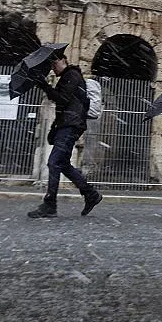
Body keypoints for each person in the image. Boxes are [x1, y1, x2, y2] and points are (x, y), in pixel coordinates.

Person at [28, 52, 103, 219]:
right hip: (68, 125)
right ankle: (91, 194)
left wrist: (45, 86)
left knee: (53, 162)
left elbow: (62, 99)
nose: (53, 69)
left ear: (63, 60)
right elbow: (63, 104)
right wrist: (55, 128)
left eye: (54, 65)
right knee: (62, 164)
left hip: (71, 126)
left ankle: (50, 205)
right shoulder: (69, 77)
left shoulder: (72, 75)